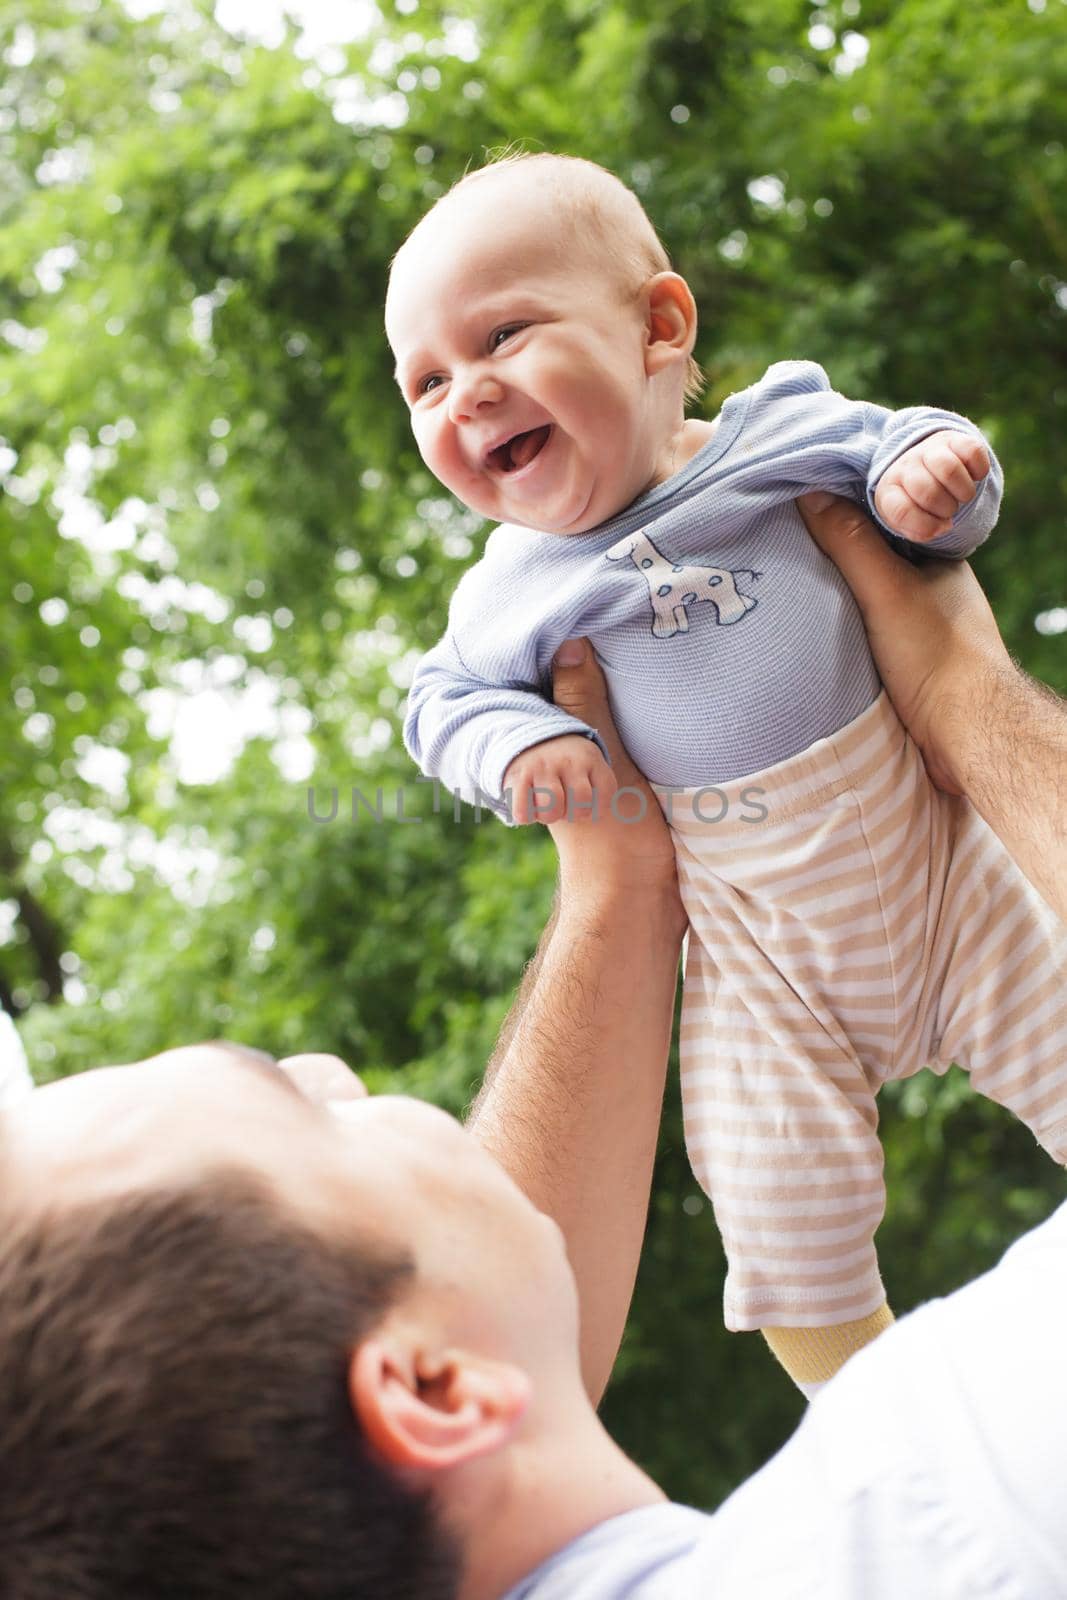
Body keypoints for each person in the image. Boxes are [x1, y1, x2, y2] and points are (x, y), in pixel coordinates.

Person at [0, 494, 1065, 1599]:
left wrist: (620, 883)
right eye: (295, 1105)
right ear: (435, 1391)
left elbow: (477, 1310)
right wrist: (966, 696)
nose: (331, 1070)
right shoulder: (958, 1504)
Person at [389, 151, 1067, 1391]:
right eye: (424, 379)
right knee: (768, 1191)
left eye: (501, 334)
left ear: (657, 325)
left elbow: (913, 452)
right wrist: (521, 746)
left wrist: (931, 485)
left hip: (944, 868)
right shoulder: (507, 598)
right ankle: (865, 1410)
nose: (464, 394)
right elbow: (433, 704)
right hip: (755, 947)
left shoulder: (779, 432)